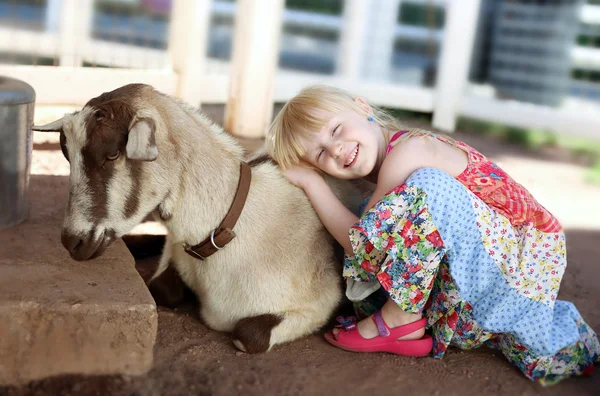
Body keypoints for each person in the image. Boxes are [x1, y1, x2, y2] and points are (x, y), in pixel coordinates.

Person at [266, 85, 599, 385]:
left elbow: (364, 246)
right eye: (321, 155)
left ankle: (401, 318)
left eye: (336, 130)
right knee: (383, 213)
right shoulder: (387, 174)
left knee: (425, 186)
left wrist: (311, 183)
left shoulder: (411, 151)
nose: (336, 150)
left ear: (364, 108)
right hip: (474, 282)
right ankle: (406, 315)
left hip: (520, 266)